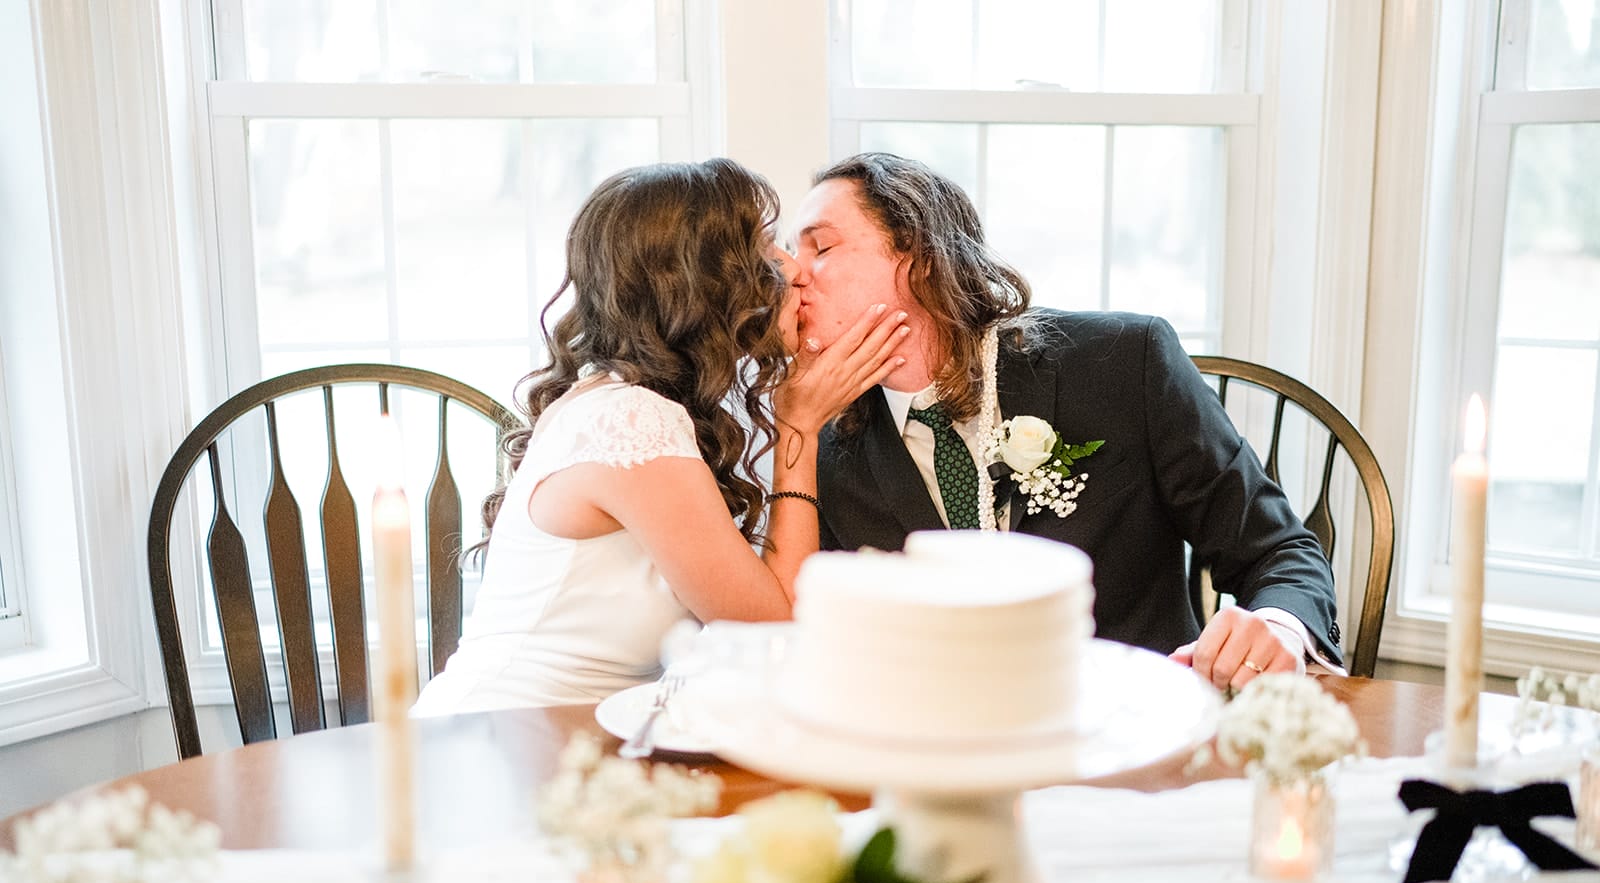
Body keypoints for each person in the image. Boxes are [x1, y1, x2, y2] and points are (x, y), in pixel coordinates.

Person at [790, 152, 1342, 692]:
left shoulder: (1124, 363)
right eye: (792, 254)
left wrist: (1277, 627)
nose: (793, 274)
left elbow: (1278, 552)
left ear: (920, 253)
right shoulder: (822, 452)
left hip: (1143, 739)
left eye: (821, 247)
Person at [412, 158, 907, 715]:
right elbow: (778, 628)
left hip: (569, 738)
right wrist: (799, 429)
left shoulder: (614, 398)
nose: (794, 269)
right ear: (700, 279)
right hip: (506, 740)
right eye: (768, 247)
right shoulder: (632, 420)